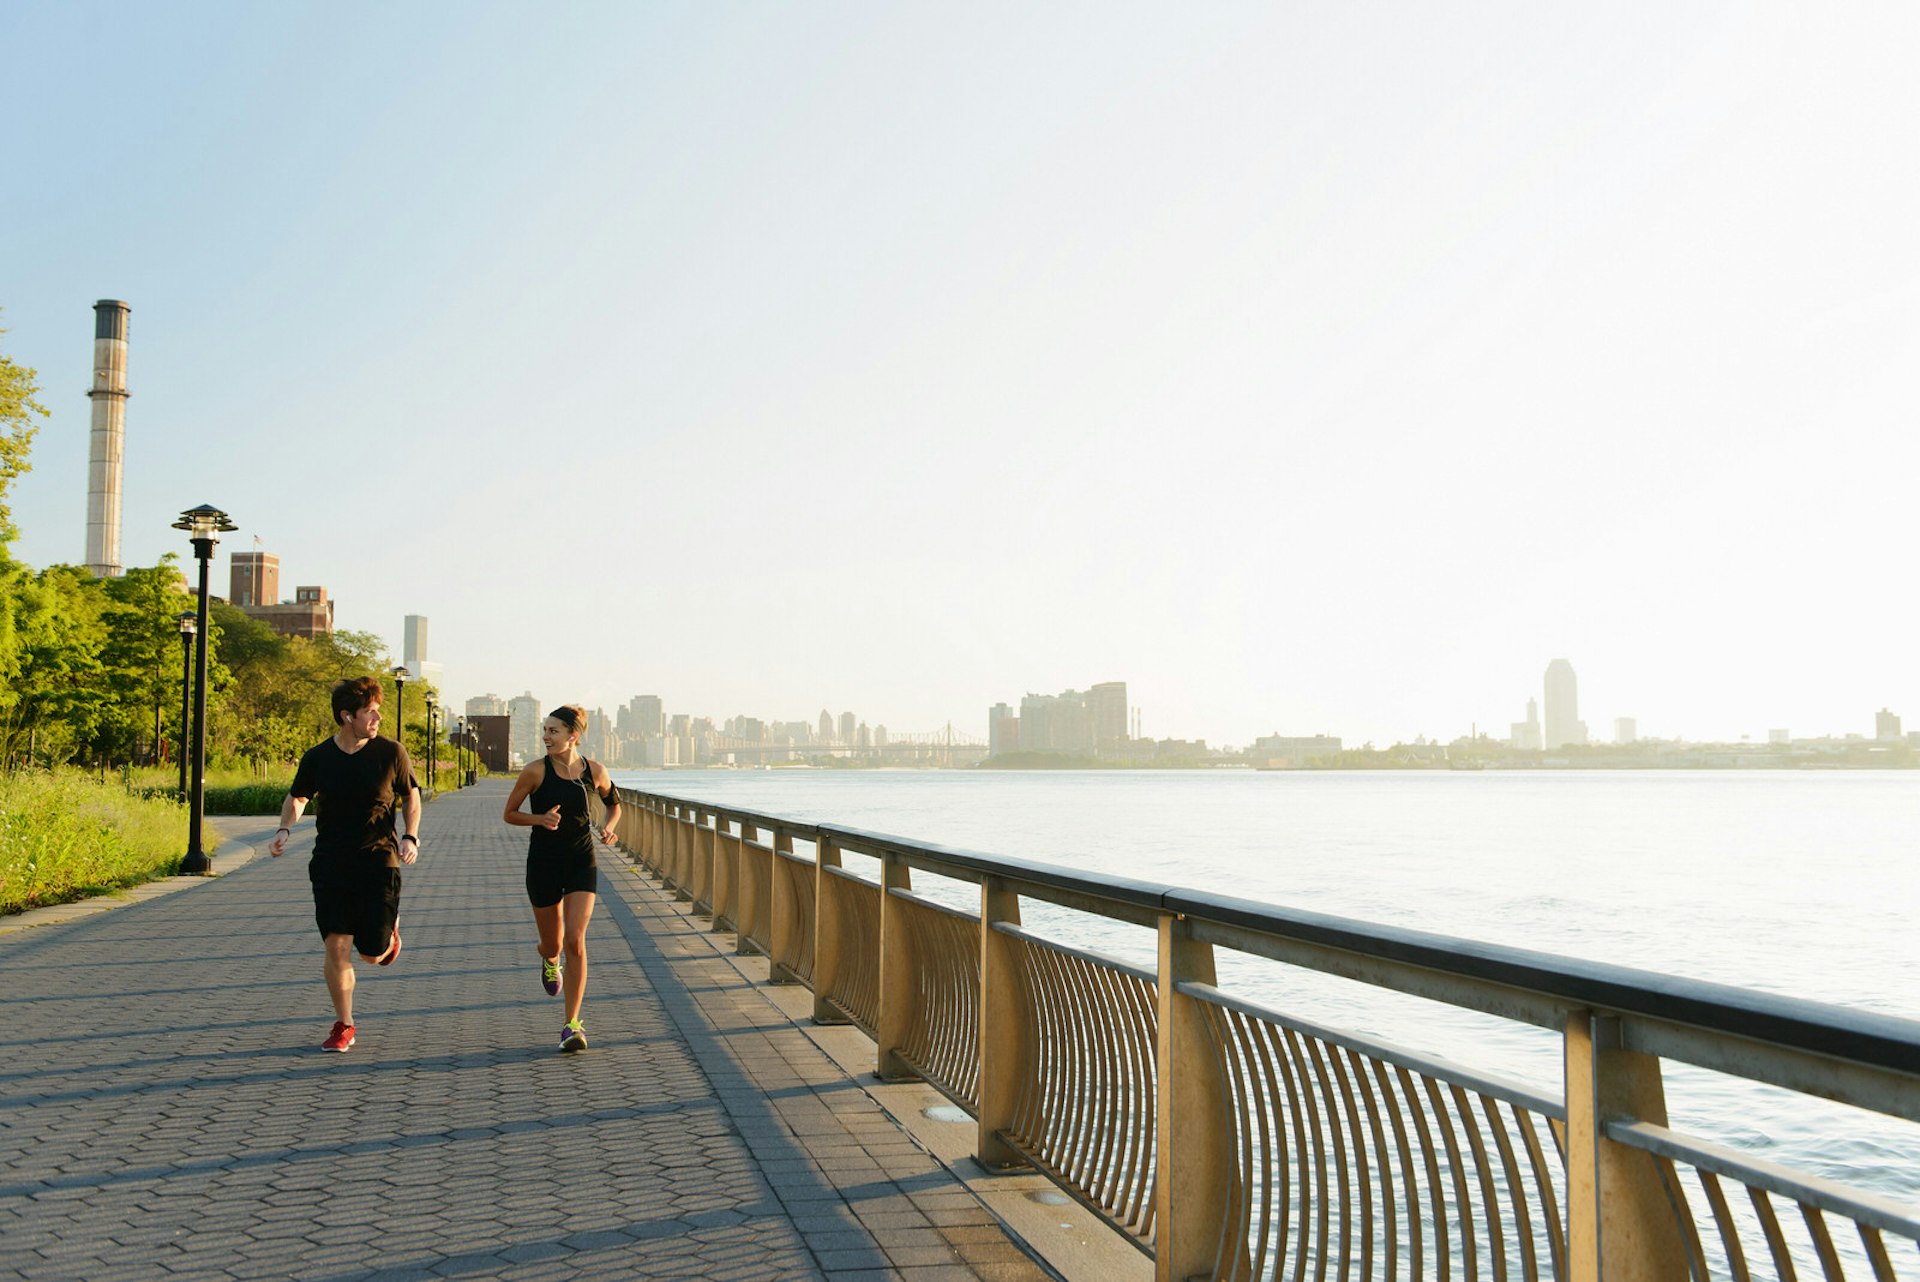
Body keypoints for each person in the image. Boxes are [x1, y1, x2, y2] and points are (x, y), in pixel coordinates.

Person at [270, 676, 422, 1053]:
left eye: (378, 710)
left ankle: (388, 936)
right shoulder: (318, 757)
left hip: (379, 861)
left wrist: (410, 835)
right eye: (370, 712)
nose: (377, 717)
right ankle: (344, 1024)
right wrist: (284, 830)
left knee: (372, 953)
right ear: (346, 716)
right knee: (337, 945)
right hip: (331, 863)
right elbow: (299, 796)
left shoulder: (391, 752)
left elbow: (411, 796)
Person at [502, 704, 620, 1052]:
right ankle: (548, 959)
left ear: (574, 736)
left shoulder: (594, 771)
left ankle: (571, 1025)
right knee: (554, 944)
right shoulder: (534, 772)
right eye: (545, 730)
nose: (546, 737)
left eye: (553, 731)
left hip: (582, 861)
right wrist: (540, 820)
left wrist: (610, 828)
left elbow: (615, 803)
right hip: (543, 864)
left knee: (575, 941)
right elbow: (509, 813)